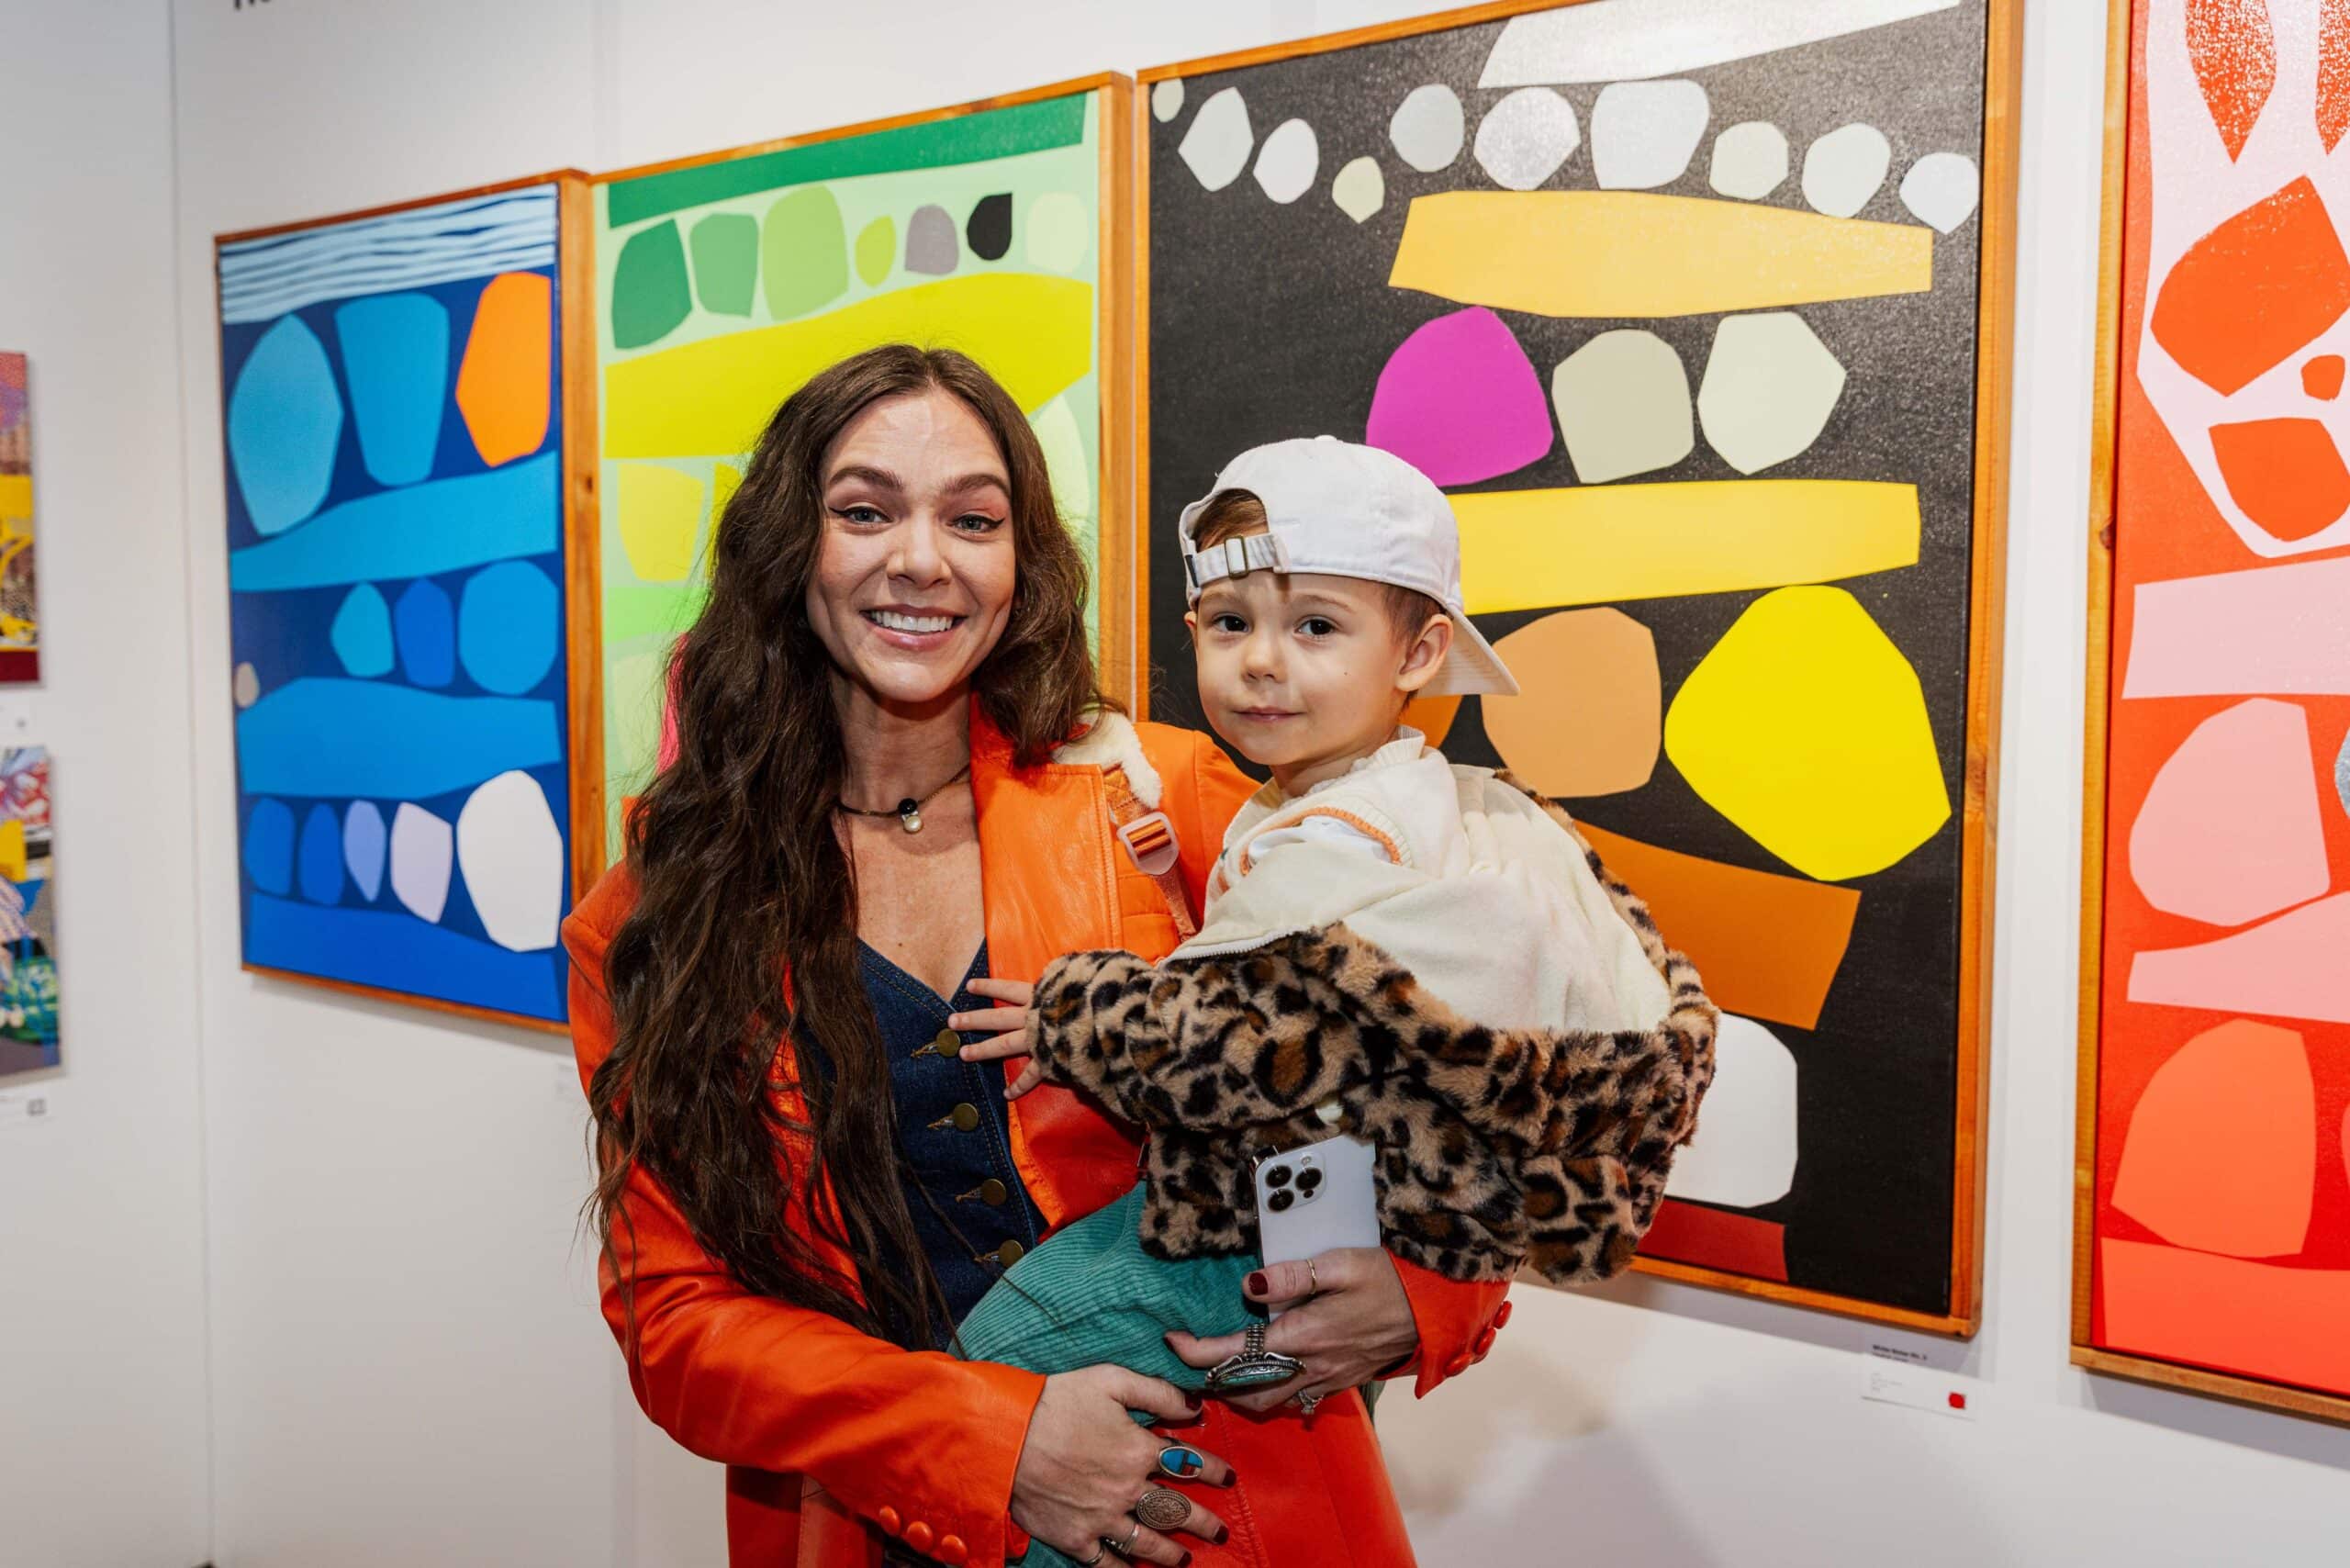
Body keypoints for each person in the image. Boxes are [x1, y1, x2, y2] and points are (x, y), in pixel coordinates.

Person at [563, 350, 1508, 1568]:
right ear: (788, 546)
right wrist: (989, 1443)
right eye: (865, 511)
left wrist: (1424, 1293)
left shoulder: (1165, 801)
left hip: (1235, 1508)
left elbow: (1456, 1054)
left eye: (973, 519)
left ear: (1022, 562)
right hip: (887, 1526)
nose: (923, 560)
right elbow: (676, 1319)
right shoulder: (659, 910)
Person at [954, 441, 1717, 1506]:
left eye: (1314, 625)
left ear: (1420, 651)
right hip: (1300, 1221)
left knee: (984, 1382)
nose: (1261, 662)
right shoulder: (1388, 797)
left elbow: (1248, 1030)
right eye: (1230, 623)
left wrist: (1077, 1017)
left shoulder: (1281, 812)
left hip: (1239, 1234)